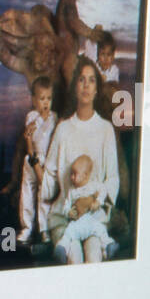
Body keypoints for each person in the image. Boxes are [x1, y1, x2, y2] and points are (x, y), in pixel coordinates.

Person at [42, 56, 119, 264]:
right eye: (81, 80)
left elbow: (112, 179)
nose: (86, 85)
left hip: (94, 217)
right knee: (73, 256)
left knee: (94, 255)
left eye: (91, 80)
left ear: (96, 89)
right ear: (75, 86)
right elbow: (49, 178)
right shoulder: (63, 128)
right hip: (65, 217)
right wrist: (34, 165)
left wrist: (91, 201)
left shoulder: (105, 130)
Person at [1, 75, 57, 245]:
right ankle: (27, 228)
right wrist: (41, 116)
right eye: (41, 99)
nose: (45, 103)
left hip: (45, 161)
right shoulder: (31, 116)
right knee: (27, 193)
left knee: (43, 195)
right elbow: (30, 132)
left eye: (48, 98)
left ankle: (44, 229)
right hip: (31, 160)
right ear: (34, 100)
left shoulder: (54, 117)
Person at [53, 153, 115, 258]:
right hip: (78, 222)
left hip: (93, 220)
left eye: (75, 174)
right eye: (71, 173)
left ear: (85, 175)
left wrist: (98, 201)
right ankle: (62, 248)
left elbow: (104, 190)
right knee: (69, 231)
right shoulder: (72, 191)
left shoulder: (94, 185)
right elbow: (66, 205)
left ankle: (108, 245)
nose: (71, 177)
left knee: (101, 230)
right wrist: (68, 212)